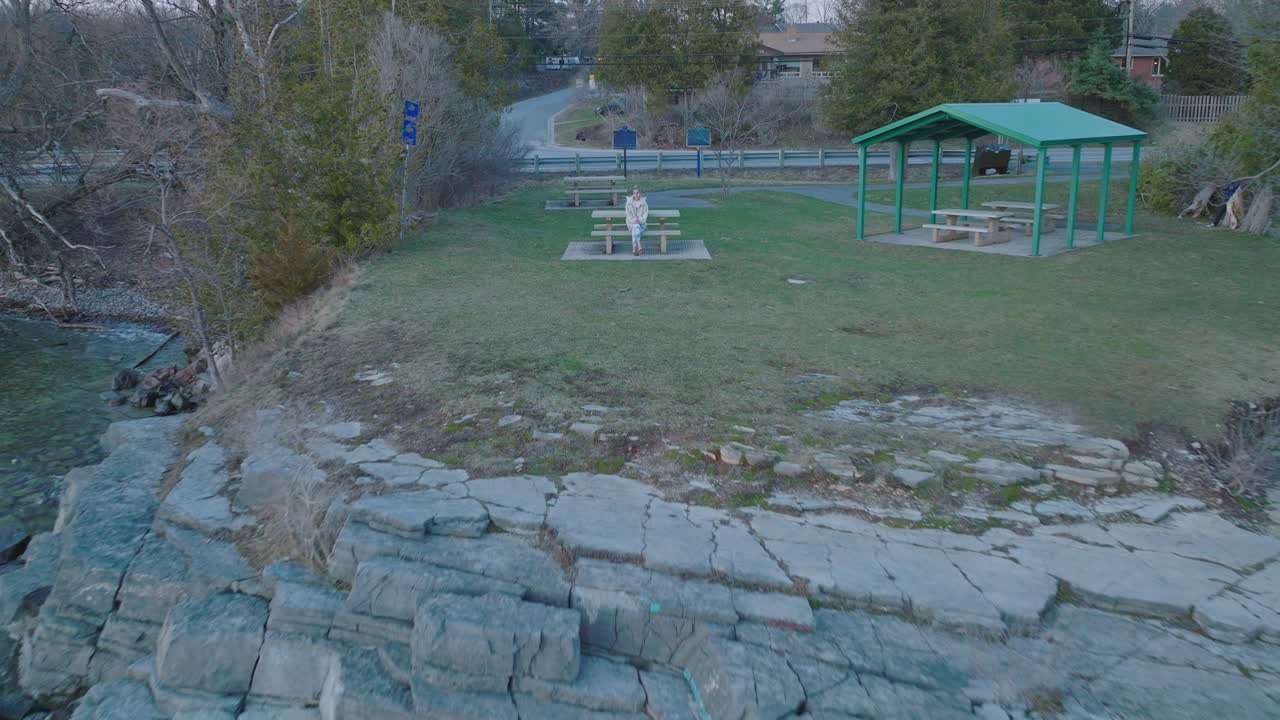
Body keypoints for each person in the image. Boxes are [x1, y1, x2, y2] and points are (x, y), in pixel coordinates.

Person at [624, 185, 649, 256]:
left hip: (641, 224)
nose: (636, 194)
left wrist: (639, 220)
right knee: (635, 226)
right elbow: (628, 214)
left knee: (636, 227)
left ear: (640, 193)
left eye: (637, 193)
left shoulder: (644, 203)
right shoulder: (629, 203)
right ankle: (639, 245)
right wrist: (634, 220)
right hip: (631, 223)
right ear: (633, 194)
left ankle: (634, 248)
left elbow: (645, 215)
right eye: (634, 193)